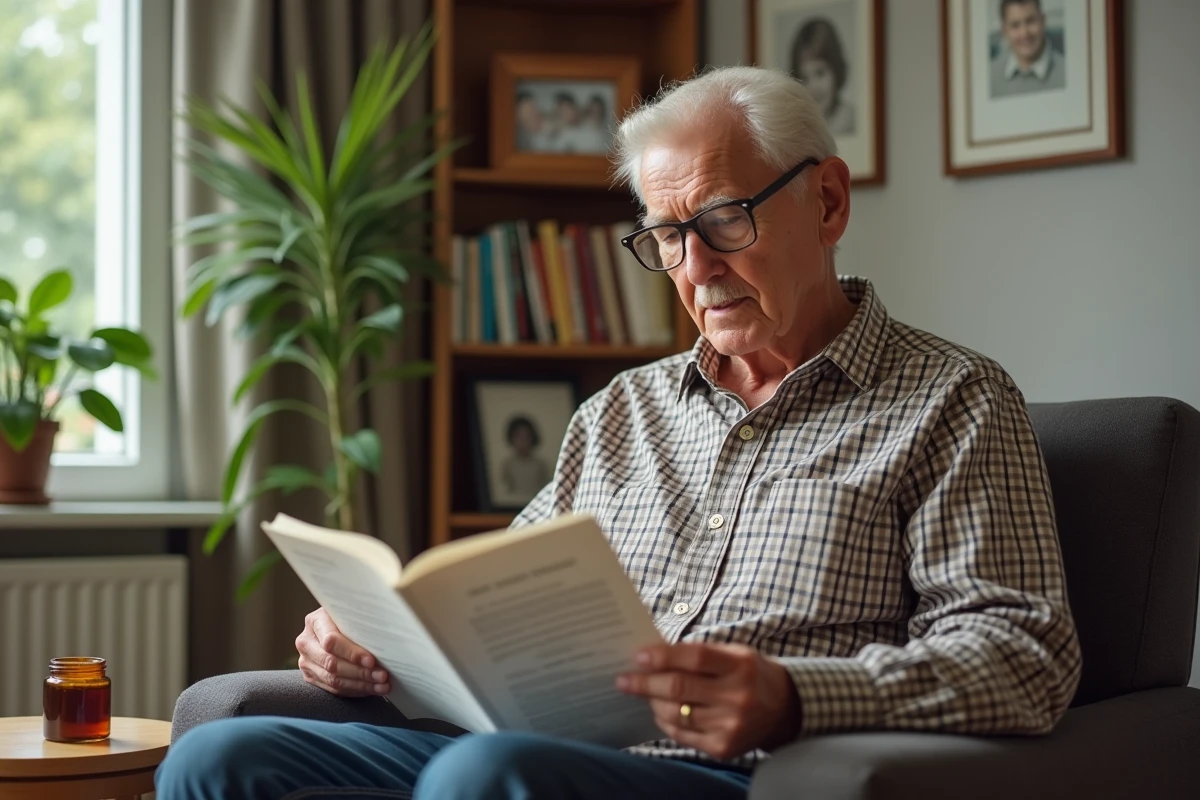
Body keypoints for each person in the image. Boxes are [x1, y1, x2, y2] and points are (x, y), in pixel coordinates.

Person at [156, 65, 1082, 799]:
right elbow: (488, 609)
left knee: (483, 777)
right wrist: (373, 643)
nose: (696, 266)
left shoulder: (950, 399)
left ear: (828, 202)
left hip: (749, 776)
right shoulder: (621, 414)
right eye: (667, 235)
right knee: (221, 755)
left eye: (723, 219)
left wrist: (794, 698)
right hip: (540, 751)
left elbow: (1025, 656)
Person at [790, 17, 855, 135]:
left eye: (820, 73)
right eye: (805, 78)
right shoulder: (794, 128)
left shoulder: (849, 118)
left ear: (836, 70)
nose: (813, 87)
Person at [989, 0, 1066, 98]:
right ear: (1004, 31)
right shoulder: (989, 79)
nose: (1024, 33)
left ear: (1043, 21)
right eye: (1015, 25)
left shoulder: (1066, 72)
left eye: (1030, 21)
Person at [499, 414, 550, 502]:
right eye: (518, 436)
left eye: (526, 437)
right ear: (511, 438)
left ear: (533, 438)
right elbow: (504, 491)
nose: (522, 441)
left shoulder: (541, 465)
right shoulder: (507, 465)